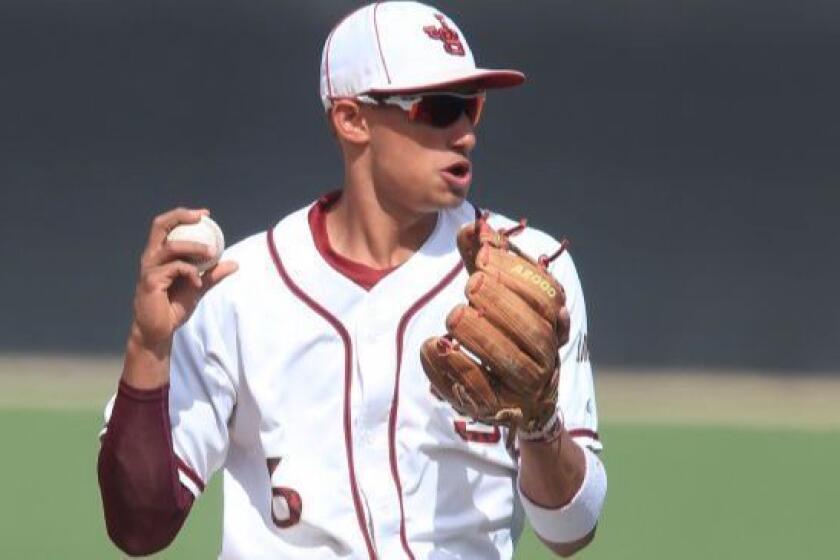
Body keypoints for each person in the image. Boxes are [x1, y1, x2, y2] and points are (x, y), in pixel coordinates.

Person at [97, 2, 606, 558]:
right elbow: (138, 527)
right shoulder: (238, 290)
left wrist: (540, 426)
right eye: (437, 109)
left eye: (471, 107)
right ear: (352, 119)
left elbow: (570, 532)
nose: (464, 134)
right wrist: (148, 348)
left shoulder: (527, 271)